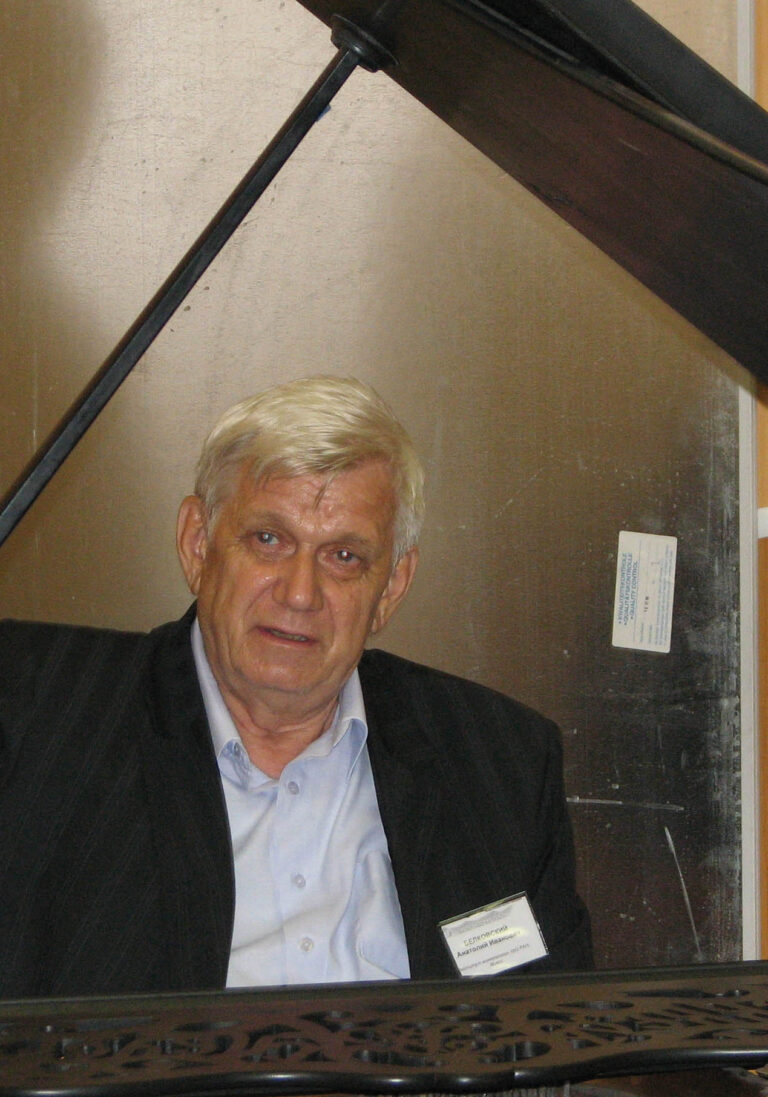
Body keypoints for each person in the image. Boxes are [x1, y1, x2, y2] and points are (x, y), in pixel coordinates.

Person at [0, 375, 591, 998]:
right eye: (269, 540)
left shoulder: (500, 763)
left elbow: (552, 1031)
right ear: (198, 544)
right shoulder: (36, 715)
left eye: (344, 557)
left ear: (391, 587)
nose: (300, 593)